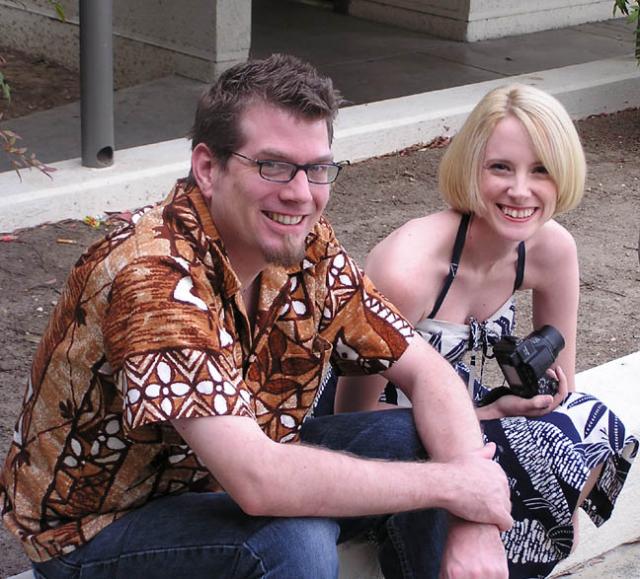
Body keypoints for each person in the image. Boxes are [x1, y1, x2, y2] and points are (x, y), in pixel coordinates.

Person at [0, 54, 513, 579]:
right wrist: (454, 485)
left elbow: (427, 371)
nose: (300, 193)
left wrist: (473, 515)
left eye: (317, 169)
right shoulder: (153, 276)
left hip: (221, 477)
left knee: (416, 438)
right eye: (273, 165)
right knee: (292, 542)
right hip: (98, 528)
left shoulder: (304, 246)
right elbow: (259, 482)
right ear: (208, 168)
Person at [332, 83, 638, 577]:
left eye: (541, 169)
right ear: (471, 167)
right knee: (470, 460)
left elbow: (561, 390)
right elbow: (352, 419)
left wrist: (528, 409)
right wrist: (481, 417)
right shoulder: (409, 269)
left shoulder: (551, 249)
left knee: (591, 424)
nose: (520, 190)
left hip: (464, 405)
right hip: (387, 426)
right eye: (500, 167)